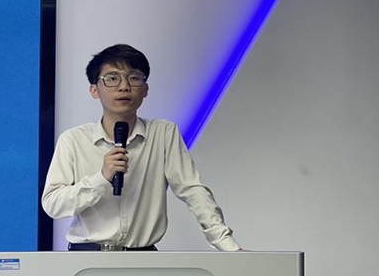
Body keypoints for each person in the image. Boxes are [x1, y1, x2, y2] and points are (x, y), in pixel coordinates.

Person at [42, 44, 241, 251]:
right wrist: (101, 178)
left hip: (143, 256)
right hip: (86, 256)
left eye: (134, 78)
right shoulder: (74, 140)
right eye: (112, 78)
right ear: (94, 90)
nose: (123, 87)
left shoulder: (163, 133)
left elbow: (192, 190)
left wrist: (227, 245)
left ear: (145, 89)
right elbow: (53, 205)